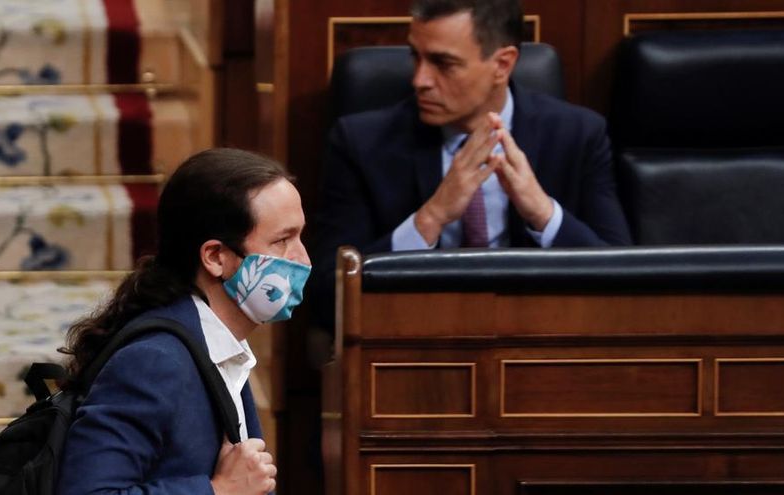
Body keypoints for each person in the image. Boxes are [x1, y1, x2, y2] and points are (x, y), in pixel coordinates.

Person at [311, 0, 631, 329]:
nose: (419, 80)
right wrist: (430, 218)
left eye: (442, 63)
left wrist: (542, 213)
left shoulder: (577, 136)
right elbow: (325, 295)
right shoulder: (362, 142)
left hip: (542, 338)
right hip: (415, 339)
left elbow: (625, 280)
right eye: (415, 56)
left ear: (502, 65)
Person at [57, 148, 311, 494]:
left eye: (299, 236)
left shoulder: (219, 343)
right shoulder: (153, 362)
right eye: (282, 240)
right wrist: (219, 490)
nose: (302, 258)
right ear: (216, 257)